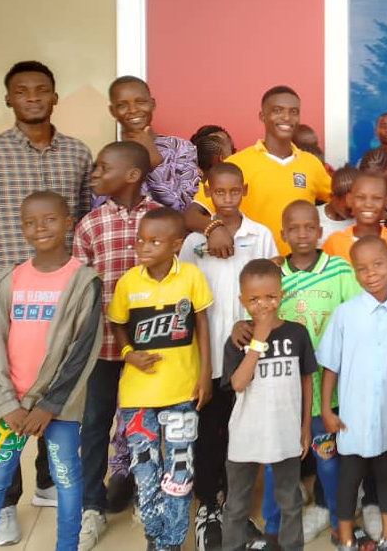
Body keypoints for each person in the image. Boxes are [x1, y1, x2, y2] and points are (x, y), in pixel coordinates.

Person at [0, 60, 93, 545]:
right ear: (9, 99)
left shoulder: (77, 153)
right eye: (22, 91)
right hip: (9, 306)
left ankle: (49, 482)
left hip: (63, 300)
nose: (32, 97)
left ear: (54, 97)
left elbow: (86, 223)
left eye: (41, 90)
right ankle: (6, 502)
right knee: (3, 401)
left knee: (58, 389)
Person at [0, 191, 102, 551]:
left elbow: (82, 351)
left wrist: (49, 406)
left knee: (66, 479)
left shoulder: (83, 281)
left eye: (50, 219)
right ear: (22, 229)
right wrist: (7, 404)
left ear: (69, 222)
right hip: (8, 406)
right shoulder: (9, 280)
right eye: (30, 222)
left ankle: (67, 545)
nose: (40, 228)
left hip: (59, 408)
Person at [230, 200, 363, 544]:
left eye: (309, 227)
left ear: (320, 232)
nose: (302, 234)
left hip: (326, 388)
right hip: (281, 392)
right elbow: (257, 313)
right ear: (283, 233)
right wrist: (240, 326)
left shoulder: (339, 270)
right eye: (294, 228)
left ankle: (338, 518)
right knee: (274, 462)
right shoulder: (275, 274)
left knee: (328, 459)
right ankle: (274, 526)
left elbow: (358, 314)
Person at [178, 162, 278, 549]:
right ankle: (208, 505)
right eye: (219, 192)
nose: (227, 198)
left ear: (245, 190)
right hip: (207, 356)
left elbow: (272, 289)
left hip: (248, 356)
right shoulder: (194, 241)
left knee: (243, 434)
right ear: (208, 191)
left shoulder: (261, 235)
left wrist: (254, 330)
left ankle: (237, 507)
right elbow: (184, 297)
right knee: (209, 433)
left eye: (235, 191)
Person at [107, 208, 214, 551]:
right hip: (138, 395)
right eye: (140, 240)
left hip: (182, 390)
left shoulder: (191, 277)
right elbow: (117, 324)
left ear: (176, 245)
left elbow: (202, 325)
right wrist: (129, 354)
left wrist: (205, 375)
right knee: (145, 472)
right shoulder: (129, 282)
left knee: (179, 471)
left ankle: (172, 540)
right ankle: (155, 536)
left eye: (155, 241)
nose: (144, 246)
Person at [73, 141, 162, 551]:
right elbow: (79, 290)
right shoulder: (89, 226)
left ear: (132, 175)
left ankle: (148, 495)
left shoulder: (160, 220)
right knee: (95, 424)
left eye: (103, 167)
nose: (95, 172)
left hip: (152, 351)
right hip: (103, 348)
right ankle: (92, 506)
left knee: (149, 426)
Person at [319, 236, 387, 551]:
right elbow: (330, 366)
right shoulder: (346, 313)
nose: (371, 273)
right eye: (362, 268)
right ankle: (346, 539)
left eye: (378, 264)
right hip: (353, 417)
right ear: (354, 272)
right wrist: (327, 410)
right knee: (349, 479)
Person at [220, 259, 316, 551]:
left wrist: (305, 427)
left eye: (271, 297)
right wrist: (258, 341)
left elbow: (307, 380)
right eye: (254, 299)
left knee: (290, 500)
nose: (263, 305)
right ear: (242, 301)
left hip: (286, 431)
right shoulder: (239, 340)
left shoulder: (297, 334)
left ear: (281, 294)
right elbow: (238, 384)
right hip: (246, 434)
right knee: (237, 503)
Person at [185, 85, 331, 257]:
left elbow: (341, 203)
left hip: (297, 269)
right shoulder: (237, 164)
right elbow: (191, 215)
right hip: (252, 268)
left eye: (293, 112)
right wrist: (213, 228)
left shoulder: (311, 164)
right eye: (277, 110)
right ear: (262, 115)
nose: (286, 117)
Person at [102, 76, 199, 211]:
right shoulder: (109, 157)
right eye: (122, 105)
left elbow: (186, 208)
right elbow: (100, 210)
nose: (133, 110)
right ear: (112, 111)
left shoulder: (181, 148)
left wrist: (157, 167)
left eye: (140, 102)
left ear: (152, 104)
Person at [322, 173, 387, 263]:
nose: (368, 204)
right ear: (349, 200)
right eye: (361, 198)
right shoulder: (335, 243)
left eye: (376, 198)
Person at [319, 165, 357, 247]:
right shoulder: (314, 217)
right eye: (349, 209)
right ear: (332, 197)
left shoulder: (363, 220)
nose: (353, 213)